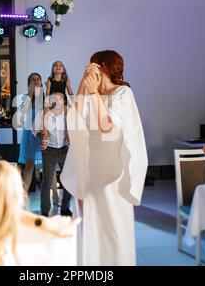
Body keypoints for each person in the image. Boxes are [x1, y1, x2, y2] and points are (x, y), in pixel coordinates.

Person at [61, 50, 149, 265]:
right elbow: (75, 118)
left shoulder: (123, 94)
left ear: (102, 67)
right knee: (86, 223)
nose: (90, 70)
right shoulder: (92, 93)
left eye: (93, 66)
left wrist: (92, 93)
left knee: (112, 224)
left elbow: (107, 126)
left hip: (112, 170)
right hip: (88, 165)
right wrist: (83, 84)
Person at [39, 92, 72, 217]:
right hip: (49, 151)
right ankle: (45, 210)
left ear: (63, 101)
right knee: (47, 181)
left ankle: (65, 208)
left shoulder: (69, 114)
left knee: (68, 180)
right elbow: (35, 131)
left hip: (65, 150)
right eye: (55, 98)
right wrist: (42, 139)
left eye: (60, 98)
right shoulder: (45, 114)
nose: (57, 100)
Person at [17, 73, 44, 192]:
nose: (35, 81)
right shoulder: (24, 97)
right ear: (29, 83)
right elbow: (22, 111)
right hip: (29, 135)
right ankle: (22, 195)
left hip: (43, 133)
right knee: (29, 165)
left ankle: (55, 195)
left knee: (49, 166)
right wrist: (30, 95)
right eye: (33, 80)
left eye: (37, 79)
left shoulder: (45, 96)